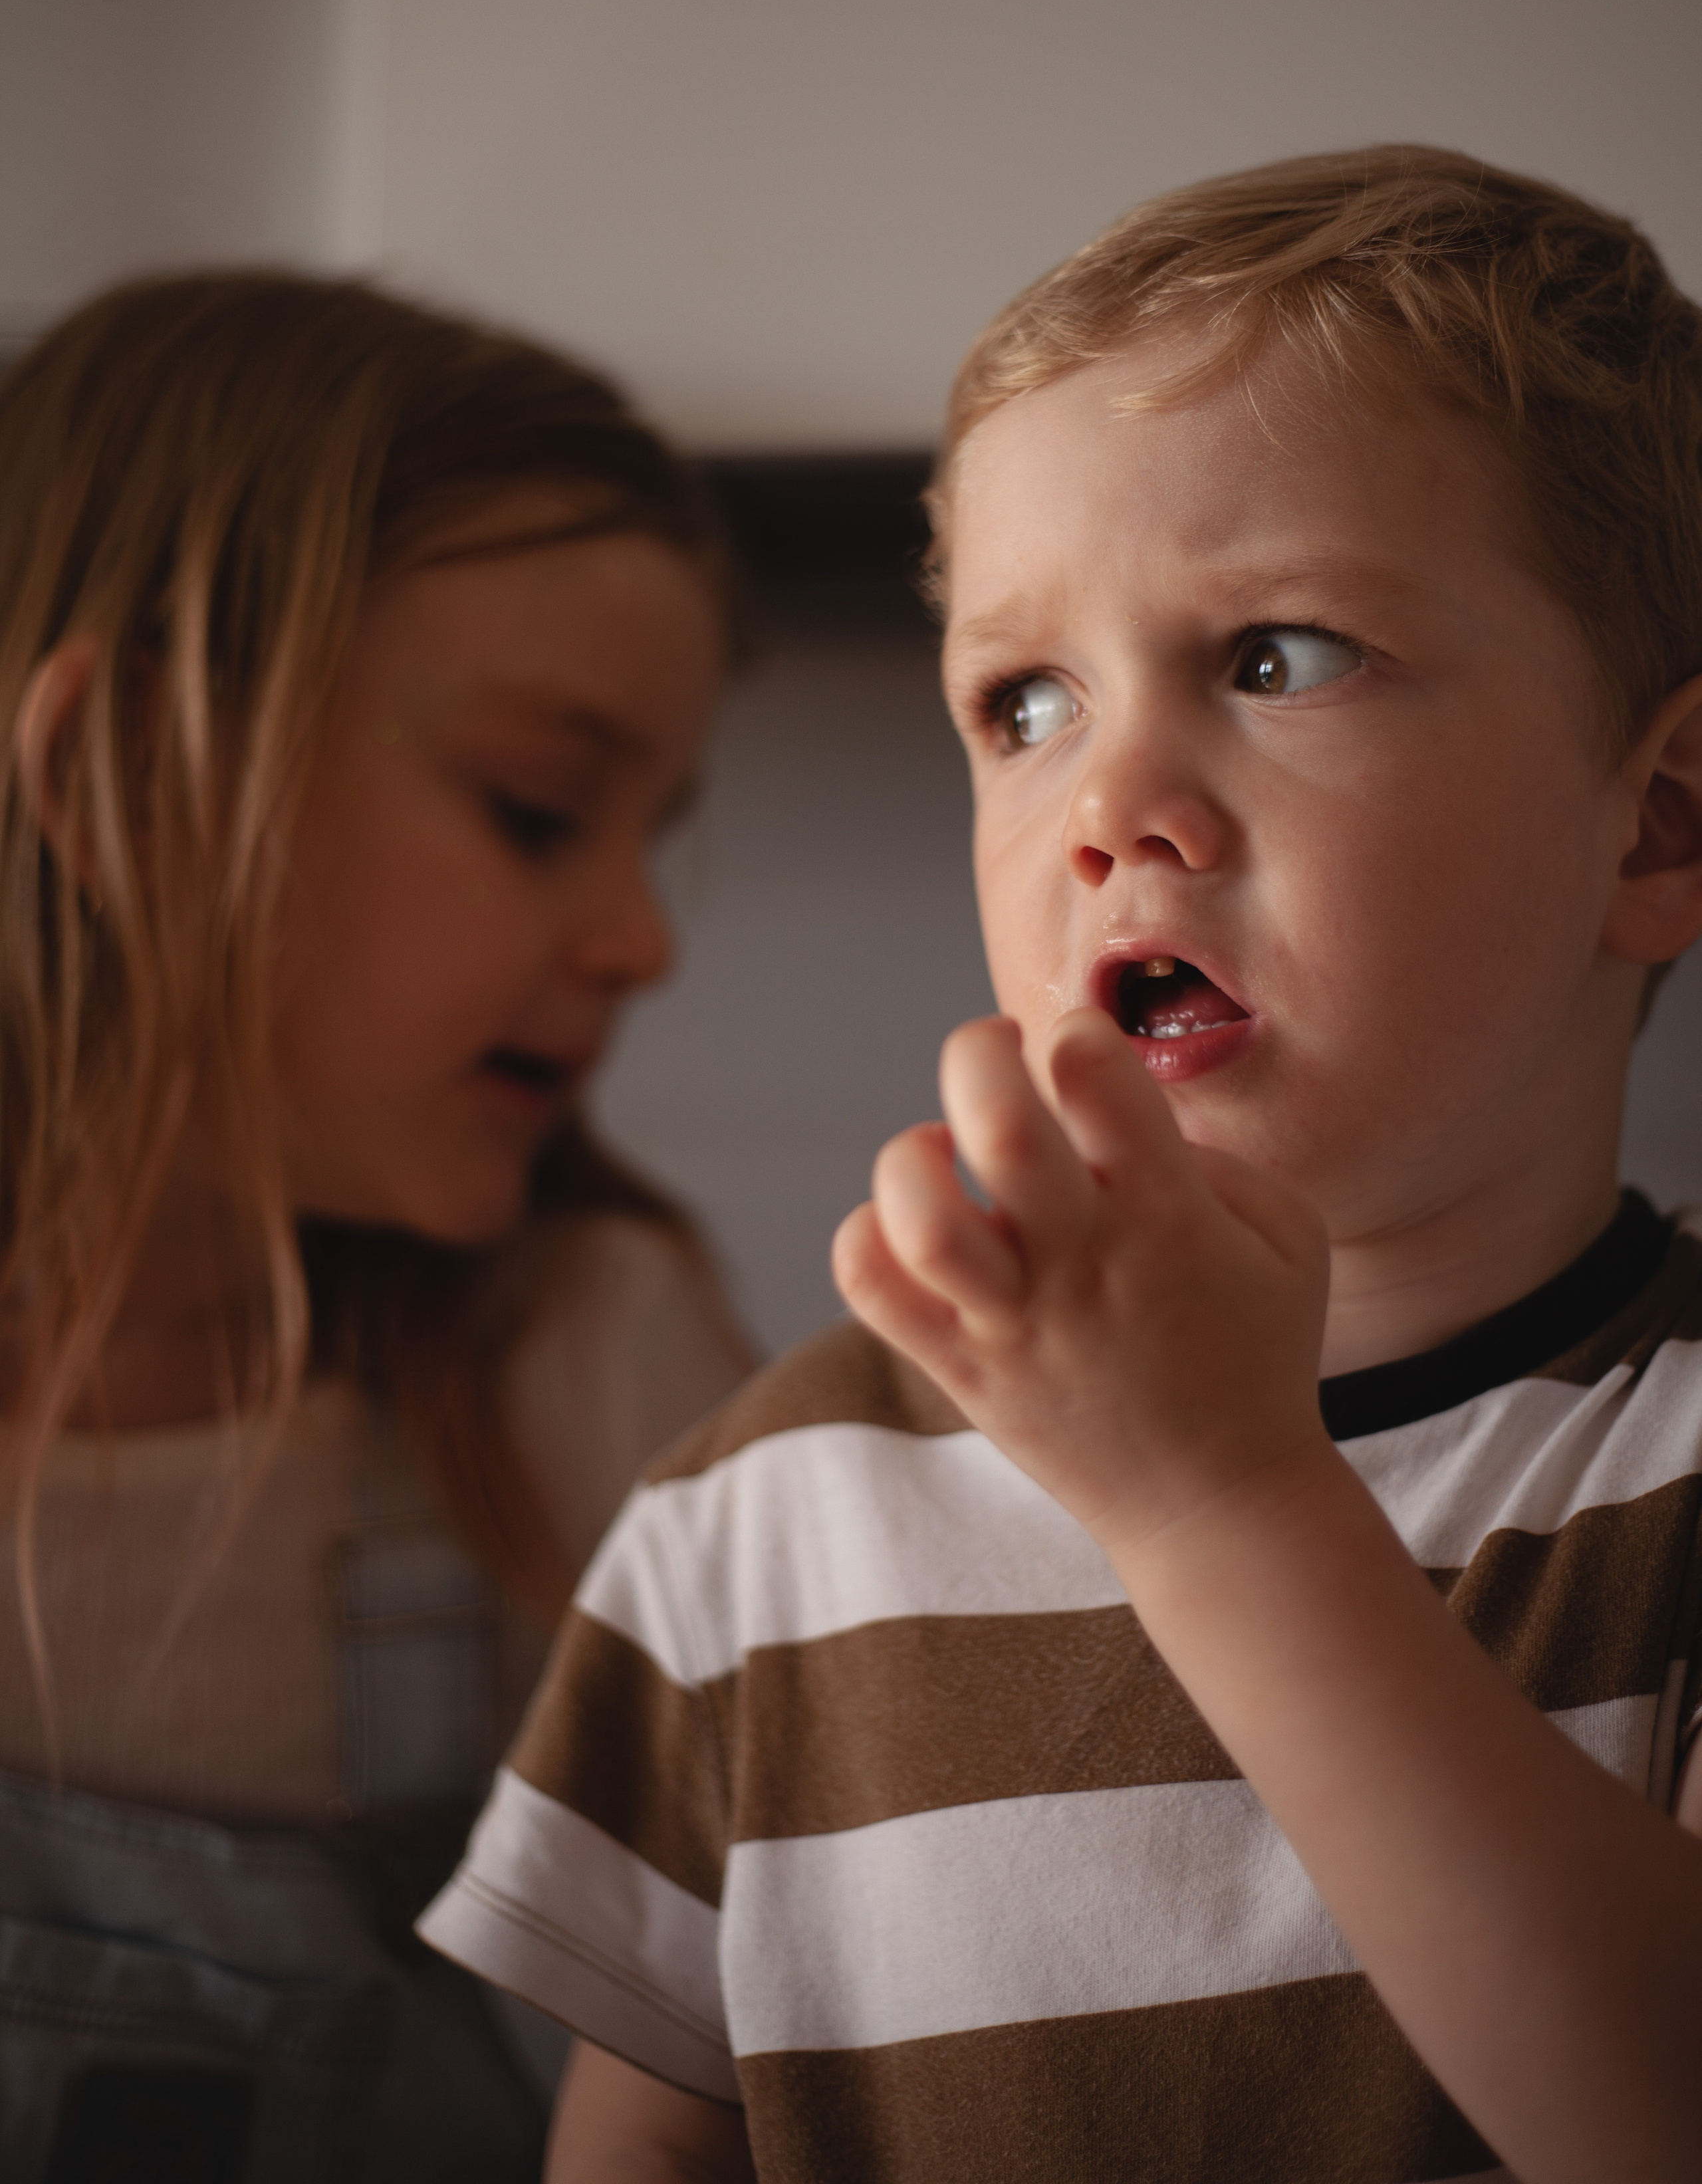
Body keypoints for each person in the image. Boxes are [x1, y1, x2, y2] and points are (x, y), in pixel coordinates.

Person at [424, 147, 1702, 2184]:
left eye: (1280, 656)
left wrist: (1216, 1497)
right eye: (1024, 702)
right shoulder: (758, 1522)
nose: (1107, 808)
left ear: (1656, 831)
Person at [0, 272, 753, 2184]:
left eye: (652, 833)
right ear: (124, 783)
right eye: (536, 807)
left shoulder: (588, 1357)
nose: (643, 941)